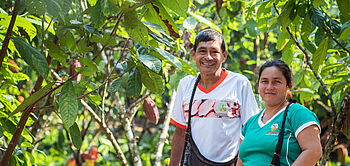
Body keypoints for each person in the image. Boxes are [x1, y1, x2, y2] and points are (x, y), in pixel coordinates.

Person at [169, 29, 259, 165]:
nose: (208, 57)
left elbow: (250, 131)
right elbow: (180, 132)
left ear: (224, 56)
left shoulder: (239, 83)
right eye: (202, 51)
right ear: (193, 54)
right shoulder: (186, 84)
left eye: (214, 52)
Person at [237, 59, 322, 166]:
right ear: (258, 85)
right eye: (264, 81)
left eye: (276, 82)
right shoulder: (250, 123)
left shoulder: (298, 114)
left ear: (288, 86)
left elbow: (313, 152)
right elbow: (241, 161)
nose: (269, 87)